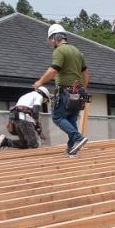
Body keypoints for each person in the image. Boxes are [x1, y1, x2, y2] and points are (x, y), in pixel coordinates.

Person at [32, 23, 90, 156]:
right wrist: (84, 88)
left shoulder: (59, 51)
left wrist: (39, 82)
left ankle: (79, 138)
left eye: (50, 40)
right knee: (71, 120)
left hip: (65, 91)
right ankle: (71, 149)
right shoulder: (77, 52)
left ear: (54, 38)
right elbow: (86, 73)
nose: (50, 43)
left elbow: (53, 71)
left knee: (57, 117)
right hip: (78, 91)